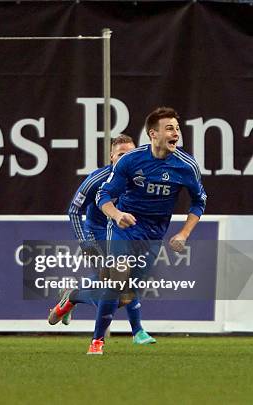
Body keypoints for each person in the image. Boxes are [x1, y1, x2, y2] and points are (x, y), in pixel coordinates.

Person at [88, 107, 207, 355]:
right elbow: (104, 195)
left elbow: (199, 201)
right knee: (116, 278)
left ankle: (75, 296)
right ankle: (97, 341)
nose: (176, 133)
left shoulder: (186, 166)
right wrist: (117, 214)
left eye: (177, 128)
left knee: (127, 295)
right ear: (153, 134)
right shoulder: (131, 161)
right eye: (169, 128)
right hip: (126, 226)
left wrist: (183, 233)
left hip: (154, 234)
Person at [48, 135, 156, 345]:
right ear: (111, 157)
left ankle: (73, 295)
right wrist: (84, 243)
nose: (127, 159)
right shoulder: (97, 179)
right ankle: (138, 332)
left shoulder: (141, 180)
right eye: (121, 154)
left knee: (121, 290)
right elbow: (74, 210)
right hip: (97, 234)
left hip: (125, 234)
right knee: (118, 287)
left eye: (131, 154)